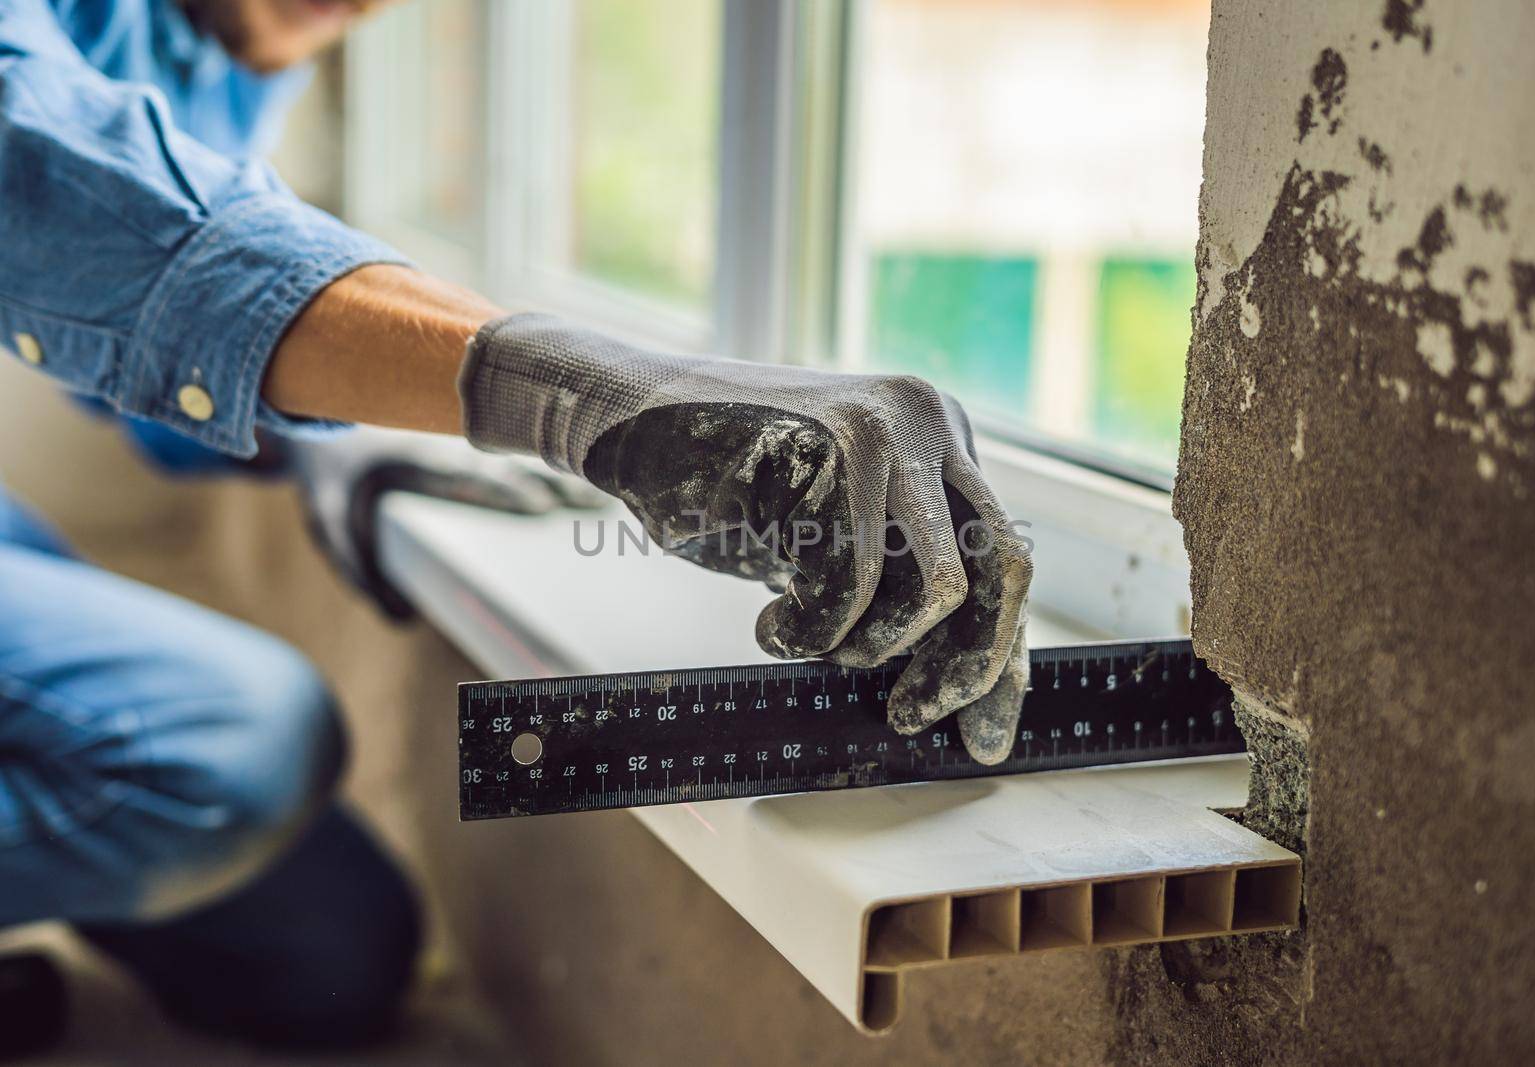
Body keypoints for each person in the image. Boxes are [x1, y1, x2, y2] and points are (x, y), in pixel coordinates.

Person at [0, 0, 1032, 1052]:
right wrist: (580, 393)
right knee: (235, 743)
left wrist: (331, 445)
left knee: (325, 956)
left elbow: (103, 347)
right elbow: (47, 181)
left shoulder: (216, 56)